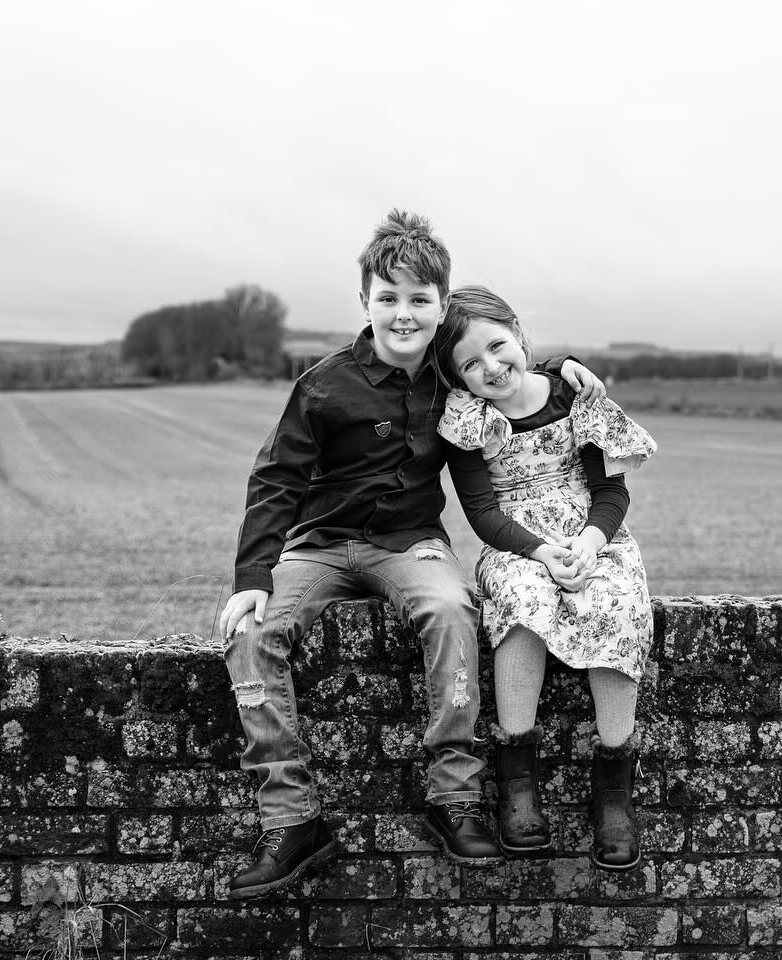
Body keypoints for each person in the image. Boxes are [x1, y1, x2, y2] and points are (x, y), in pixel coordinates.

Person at [217, 211, 605, 899]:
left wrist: (562, 369)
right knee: (250, 634)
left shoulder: (452, 383)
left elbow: (510, 376)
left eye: (419, 299)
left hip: (411, 545)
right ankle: (293, 820)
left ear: (441, 305)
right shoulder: (323, 386)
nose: (404, 313)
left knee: (454, 611)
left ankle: (451, 798)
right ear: (365, 301)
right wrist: (253, 576)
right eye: (388, 298)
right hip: (318, 545)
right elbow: (275, 480)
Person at [435, 285, 657, 872]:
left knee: (616, 600)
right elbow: (483, 515)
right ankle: (518, 782)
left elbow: (611, 491)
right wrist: (539, 552)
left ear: (518, 333)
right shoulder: (468, 422)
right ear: (456, 377)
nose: (491, 368)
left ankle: (613, 786)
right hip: (517, 545)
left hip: (590, 534)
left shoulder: (572, 395)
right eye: (470, 365)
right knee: (520, 599)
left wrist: (587, 543)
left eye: (497, 347)